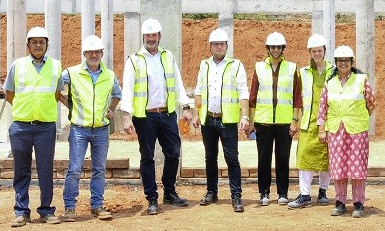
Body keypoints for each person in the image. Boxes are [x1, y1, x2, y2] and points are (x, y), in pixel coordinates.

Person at [121, 18, 192, 215]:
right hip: (145, 117)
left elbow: (177, 83)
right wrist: (127, 116)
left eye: (154, 35)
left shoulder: (168, 56)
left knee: (173, 153)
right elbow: (127, 89)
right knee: (147, 156)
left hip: (167, 113)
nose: (151, 39)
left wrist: (185, 106)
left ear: (159, 36)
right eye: (148, 36)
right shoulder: (134, 60)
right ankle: (152, 198)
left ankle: (169, 192)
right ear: (143, 37)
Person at [4, 26, 63, 227]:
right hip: (20, 126)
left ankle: (46, 210)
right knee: (21, 170)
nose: (38, 45)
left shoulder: (56, 66)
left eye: (42, 42)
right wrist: (25, 110)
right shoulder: (18, 65)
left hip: (45, 127)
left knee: (46, 170)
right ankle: (21, 211)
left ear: (47, 45)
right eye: (34, 42)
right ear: (28, 45)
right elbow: (9, 94)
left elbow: (57, 94)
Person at [59, 35, 122, 221]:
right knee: (75, 169)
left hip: (101, 130)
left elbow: (117, 94)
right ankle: (70, 208)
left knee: (99, 169)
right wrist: (68, 104)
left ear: (102, 53)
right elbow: (55, 88)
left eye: (97, 52)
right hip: (79, 129)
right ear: (84, 53)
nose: (94, 55)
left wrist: (111, 109)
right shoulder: (71, 73)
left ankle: (97, 205)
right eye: (90, 52)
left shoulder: (110, 75)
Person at [192, 29, 249, 213]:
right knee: (210, 158)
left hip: (228, 120)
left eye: (222, 44)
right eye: (215, 44)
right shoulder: (205, 65)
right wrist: (196, 113)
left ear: (226, 46)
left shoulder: (236, 65)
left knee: (232, 158)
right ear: (210, 46)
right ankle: (211, 192)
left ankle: (236, 195)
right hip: (208, 119)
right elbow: (199, 90)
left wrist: (245, 116)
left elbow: (243, 91)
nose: (219, 47)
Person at [317, 45, 375, 218]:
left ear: (352, 62)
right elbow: (322, 108)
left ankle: (358, 203)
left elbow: (370, 103)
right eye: (340, 60)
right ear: (335, 62)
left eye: (346, 60)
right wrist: (322, 129)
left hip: (357, 131)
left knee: (357, 168)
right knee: (338, 167)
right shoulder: (329, 82)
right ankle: (340, 202)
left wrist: (357, 118)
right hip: (336, 130)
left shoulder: (361, 79)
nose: (343, 63)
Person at [246, 31, 302, 206]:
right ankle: (264, 193)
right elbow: (253, 96)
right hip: (263, 122)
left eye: (279, 47)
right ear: (268, 49)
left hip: (285, 122)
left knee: (282, 158)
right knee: (263, 158)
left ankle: (283, 193)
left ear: (283, 48)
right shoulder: (259, 67)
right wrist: (251, 121)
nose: (276, 50)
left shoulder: (292, 68)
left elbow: (297, 97)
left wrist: (295, 121)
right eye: (272, 47)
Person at [287, 34, 334, 209]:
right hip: (308, 120)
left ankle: (323, 191)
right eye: (314, 51)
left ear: (324, 51)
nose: (317, 54)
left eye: (319, 51)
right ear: (310, 52)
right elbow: (297, 99)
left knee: (326, 157)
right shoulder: (303, 72)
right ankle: (305, 194)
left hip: (329, 121)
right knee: (305, 156)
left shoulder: (334, 70)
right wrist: (294, 120)